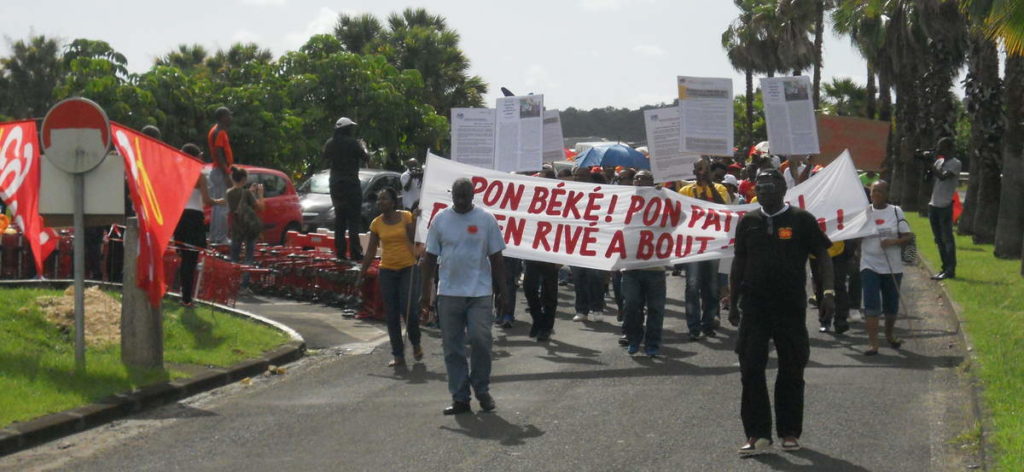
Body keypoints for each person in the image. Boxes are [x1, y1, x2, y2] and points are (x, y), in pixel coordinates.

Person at [729, 169, 834, 455]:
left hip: (789, 306)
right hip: (754, 306)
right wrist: (733, 298)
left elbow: (822, 256)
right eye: (759, 187)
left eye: (769, 186)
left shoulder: (801, 220)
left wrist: (827, 292)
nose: (763, 191)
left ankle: (789, 432)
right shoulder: (748, 222)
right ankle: (757, 435)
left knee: (791, 367)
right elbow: (739, 261)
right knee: (750, 368)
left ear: (782, 190)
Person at [420, 178, 507, 415]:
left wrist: (503, 292)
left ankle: (481, 389)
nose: (460, 201)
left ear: (473, 195)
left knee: (481, 340)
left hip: (479, 292)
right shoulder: (440, 219)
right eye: (456, 196)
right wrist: (424, 294)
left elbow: (497, 258)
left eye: (465, 196)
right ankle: (460, 397)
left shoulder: (486, 219)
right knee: (453, 348)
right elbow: (429, 258)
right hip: (449, 293)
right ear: (452, 195)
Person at [360, 187, 422, 367]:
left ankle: (416, 342)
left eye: (384, 199)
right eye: (379, 200)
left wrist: (416, 220)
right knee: (392, 314)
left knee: (407, 309)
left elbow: (412, 238)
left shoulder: (406, 216)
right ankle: (398, 355)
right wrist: (361, 273)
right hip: (386, 271)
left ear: (394, 202)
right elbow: (371, 250)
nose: (381, 202)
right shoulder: (376, 223)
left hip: (408, 268)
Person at [860, 181, 913, 355]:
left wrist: (893, 242)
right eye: (874, 191)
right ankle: (873, 344)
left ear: (887, 194)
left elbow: (907, 236)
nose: (876, 194)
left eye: (880, 191)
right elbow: (854, 234)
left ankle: (889, 335)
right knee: (871, 305)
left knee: (891, 307)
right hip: (869, 264)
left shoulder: (896, 212)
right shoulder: (865, 212)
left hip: (893, 266)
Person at [679, 158, 729, 340]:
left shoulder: (720, 189)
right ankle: (693, 327)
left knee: (711, 286)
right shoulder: (685, 190)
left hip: (713, 245)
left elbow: (724, 208)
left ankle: (708, 323)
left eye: (705, 169)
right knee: (692, 286)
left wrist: (710, 185)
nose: (701, 172)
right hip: (692, 246)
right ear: (693, 171)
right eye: (699, 169)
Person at [621, 170, 666, 357]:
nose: (639, 181)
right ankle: (633, 339)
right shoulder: (622, 201)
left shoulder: (662, 203)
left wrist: (663, 195)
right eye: (636, 178)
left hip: (655, 266)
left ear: (652, 182)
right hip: (630, 266)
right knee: (632, 305)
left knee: (655, 308)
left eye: (644, 178)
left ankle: (652, 343)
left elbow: (680, 217)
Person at [175, 143, 223, 307]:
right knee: (191, 260)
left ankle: (184, 295)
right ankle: (187, 298)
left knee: (184, 259)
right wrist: (220, 201)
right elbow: (207, 200)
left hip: (180, 216)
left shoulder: (178, 173)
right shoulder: (199, 175)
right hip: (194, 216)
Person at [323, 117, 368, 261]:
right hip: (351, 184)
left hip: (335, 184)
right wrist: (363, 146)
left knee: (340, 219)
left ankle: (340, 252)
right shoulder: (353, 143)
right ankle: (355, 252)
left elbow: (325, 157)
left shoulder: (330, 143)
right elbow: (366, 158)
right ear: (347, 129)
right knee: (354, 220)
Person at [570, 166, 605, 322]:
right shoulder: (568, 193)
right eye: (576, 176)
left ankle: (597, 309)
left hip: (595, 241)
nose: (578, 178)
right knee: (579, 278)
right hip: (576, 242)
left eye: (582, 176)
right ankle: (581, 310)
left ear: (589, 177)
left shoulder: (601, 192)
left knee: (595, 277)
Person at [226, 166, 264, 294]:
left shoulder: (228, 193)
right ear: (243, 179)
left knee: (234, 257)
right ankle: (244, 286)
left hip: (236, 228)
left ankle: (231, 284)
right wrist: (260, 194)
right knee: (248, 256)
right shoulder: (247, 193)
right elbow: (260, 207)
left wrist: (250, 191)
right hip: (249, 228)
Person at [928, 137, 961, 280]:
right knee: (938, 239)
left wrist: (931, 163)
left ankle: (950, 269)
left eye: (940, 147)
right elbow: (930, 178)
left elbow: (943, 176)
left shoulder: (955, 163)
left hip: (945, 205)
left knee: (947, 238)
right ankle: (944, 267)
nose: (938, 149)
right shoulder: (939, 162)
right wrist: (927, 165)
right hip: (933, 204)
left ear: (948, 148)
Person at [207, 107, 234, 244]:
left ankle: (214, 236)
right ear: (223, 117)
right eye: (229, 115)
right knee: (222, 206)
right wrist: (227, 173)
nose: (231, 118)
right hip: (220, 171)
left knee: (217, 206)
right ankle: (220, 237)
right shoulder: (220, 131)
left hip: (217, 170)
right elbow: (219, 153)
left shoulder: (215, 130)